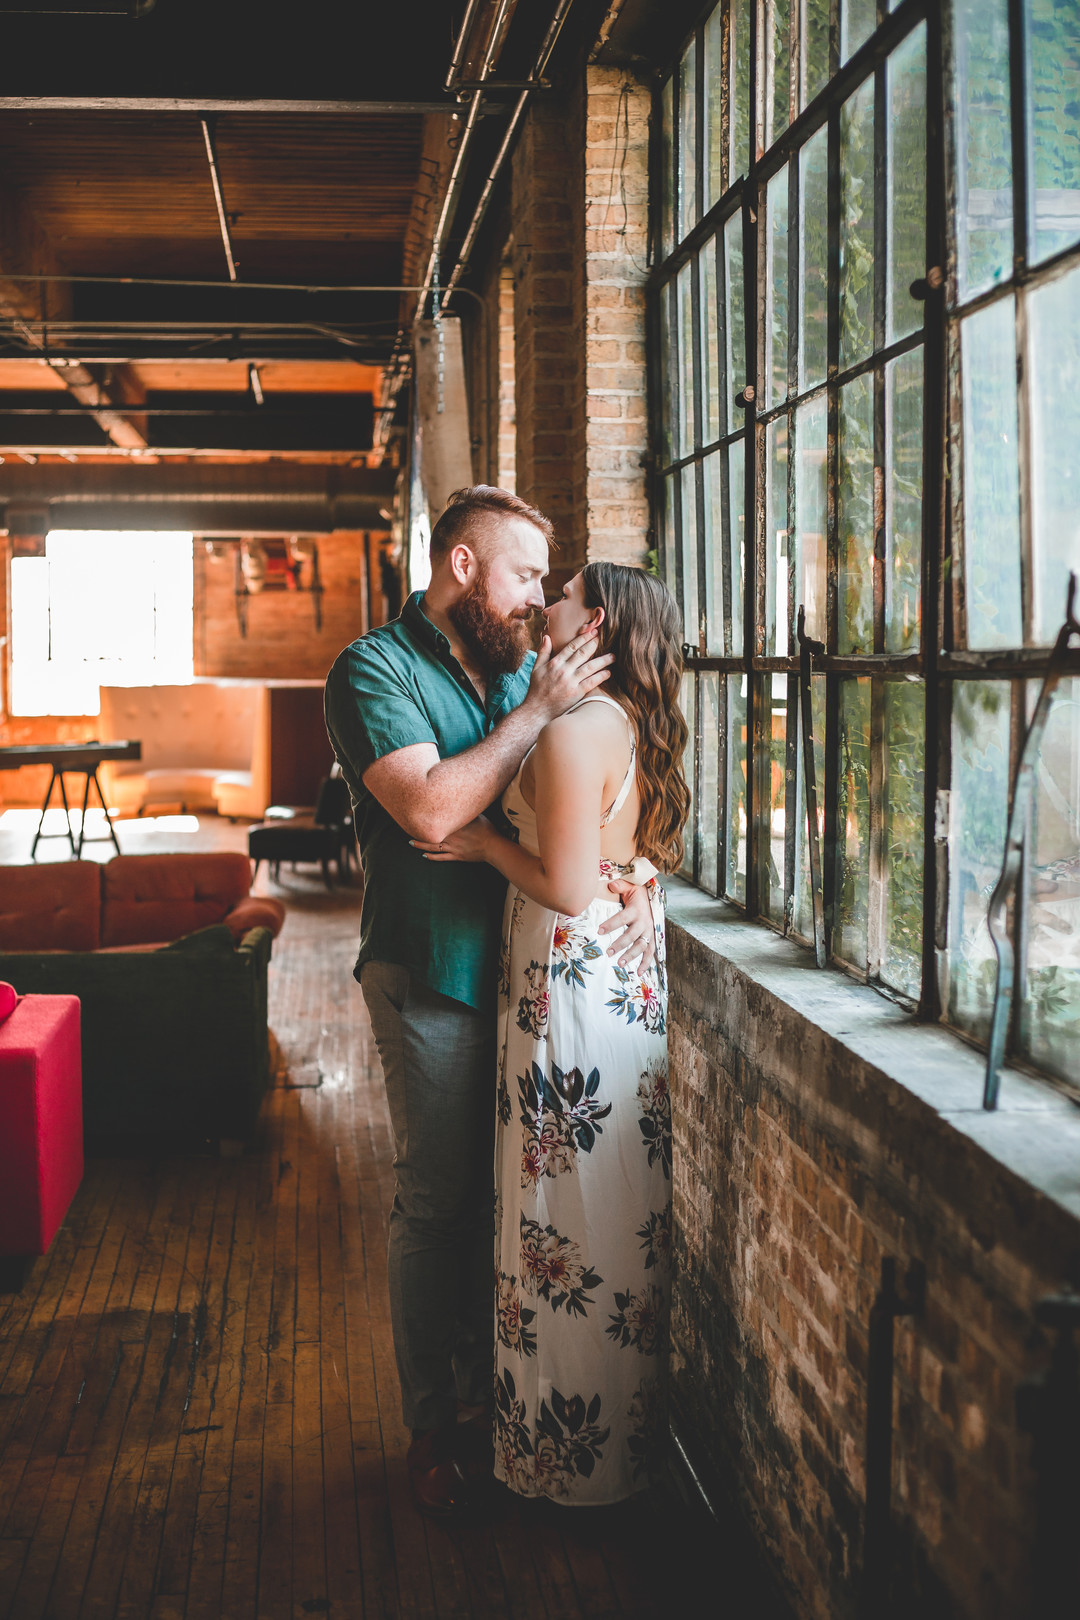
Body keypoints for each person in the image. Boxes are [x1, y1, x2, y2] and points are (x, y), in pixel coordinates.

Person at [323, 488, 661, 1516]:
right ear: (463, 566)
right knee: (442, 1201)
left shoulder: (526, 665)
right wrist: (534, 715)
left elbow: (584, 804)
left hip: (532, 982)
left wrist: (641, 877)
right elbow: (431, 806)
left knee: (516, 1210)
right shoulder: (372, 668)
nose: (531, 601)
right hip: (433, 971)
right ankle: (440, 1425)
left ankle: (506, 1404)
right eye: (522, 576)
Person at [413, 560, 689, 1505]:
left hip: (573, 992)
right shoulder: (614, 721)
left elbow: (572, 887)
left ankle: (571, 1465)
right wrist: (642, 886)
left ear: (595, 619)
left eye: (559, 590)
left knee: (566, 1221)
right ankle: (586, 1447)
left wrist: (485, 840)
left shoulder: (577, 732)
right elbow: (619, 860)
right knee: (583, 1217)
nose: (543, 600)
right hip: (592, 983)